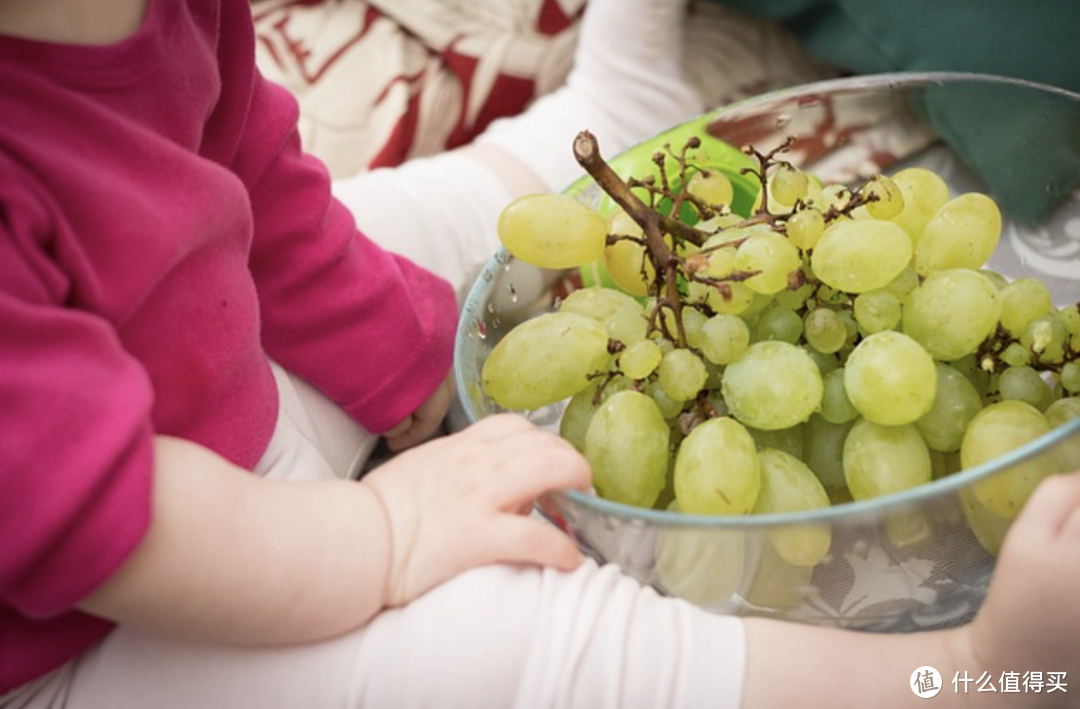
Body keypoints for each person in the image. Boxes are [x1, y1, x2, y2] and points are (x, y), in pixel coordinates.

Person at [0, 2, 1077, 709]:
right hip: (90, 626)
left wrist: (403, 354)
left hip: (187, 389)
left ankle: (606, 116)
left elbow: (250, 191)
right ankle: (978, 678)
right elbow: (99, 511)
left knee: (376, 232)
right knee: (504, 639)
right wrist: (378, 532)